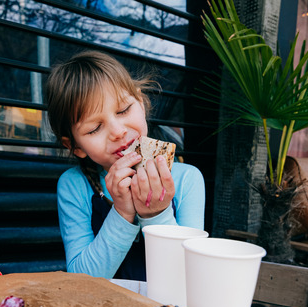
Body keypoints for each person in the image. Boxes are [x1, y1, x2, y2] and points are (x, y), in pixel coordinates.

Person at [45, 51, 205, 281]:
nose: (118, 131)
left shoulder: (187, 179)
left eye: (123, 110)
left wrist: (156, 213)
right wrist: (121, 212)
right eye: (94, 129)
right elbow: (82, 280)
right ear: (75, 146)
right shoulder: (74, 185)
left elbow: (192, 275)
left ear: (140, 102)